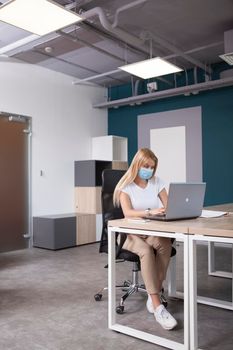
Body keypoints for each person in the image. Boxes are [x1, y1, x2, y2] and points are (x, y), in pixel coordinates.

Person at [113, 148, 177, 330]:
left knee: (165, 244)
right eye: (146, 166)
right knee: (147, 251)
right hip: (128, 233)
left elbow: (169, 205)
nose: (149, 170)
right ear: (137, 165)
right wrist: (150, 211)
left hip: (148, 230)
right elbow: (128, 213)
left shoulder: (157, 182)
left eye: (152, 167)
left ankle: (152, 291)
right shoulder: (125, 186)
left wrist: (167, 210)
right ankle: (158, 306)